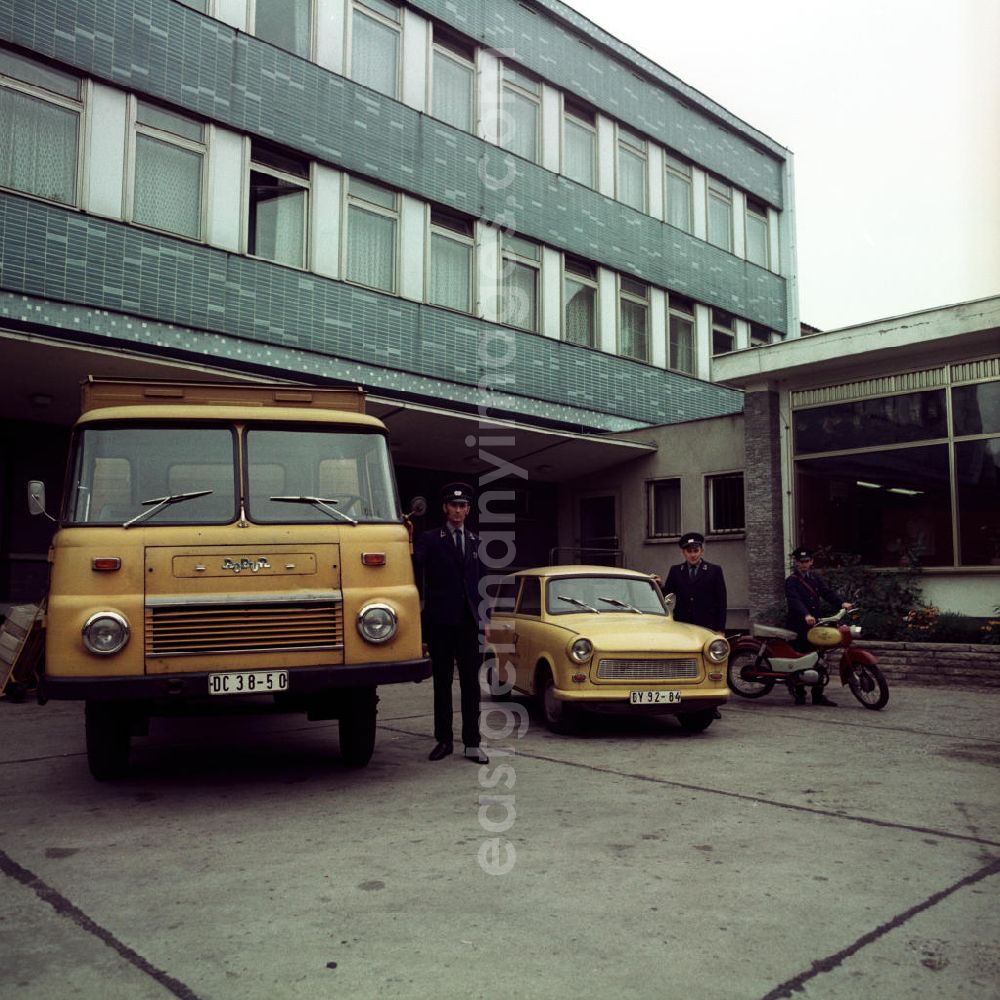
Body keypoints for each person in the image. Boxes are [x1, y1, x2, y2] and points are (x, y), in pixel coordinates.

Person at [413, 482, 488, 764]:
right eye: (454, 505)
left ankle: (473, 744)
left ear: (468, 510)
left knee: (470, 685)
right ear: (445, 508)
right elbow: (415, 564)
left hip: (468, 623)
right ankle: (444, 740)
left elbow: (482, 585)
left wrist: (486, 620)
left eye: (463, 506)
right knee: (442, 684)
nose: (458, 510)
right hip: (440, 622)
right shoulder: (431, 539)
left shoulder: (476, 542)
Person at [784, 546, 853, 707]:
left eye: (807, 561)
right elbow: (794, 600)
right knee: (800, 659)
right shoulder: (791, 581)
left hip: (815, 625)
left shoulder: (815, 579)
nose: (804, 564)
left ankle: (818, 695)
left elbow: (827, 593)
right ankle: (799, 693)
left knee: (819, 659)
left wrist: (841, 603)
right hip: (799, 626)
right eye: (800, 562)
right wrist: (805, 615)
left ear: (811, 562)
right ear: (796, 562)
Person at [662, 532, 727, 633]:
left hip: (707, 626)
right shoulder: (676, 571)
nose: (693, 555)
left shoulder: (714, 570)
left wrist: (721, 629)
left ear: (702, 551)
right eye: (689, 551)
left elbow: (721, 602)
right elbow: (666, 594)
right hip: (683, 625)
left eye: (696, 551)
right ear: (683, 552)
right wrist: (657, 585)